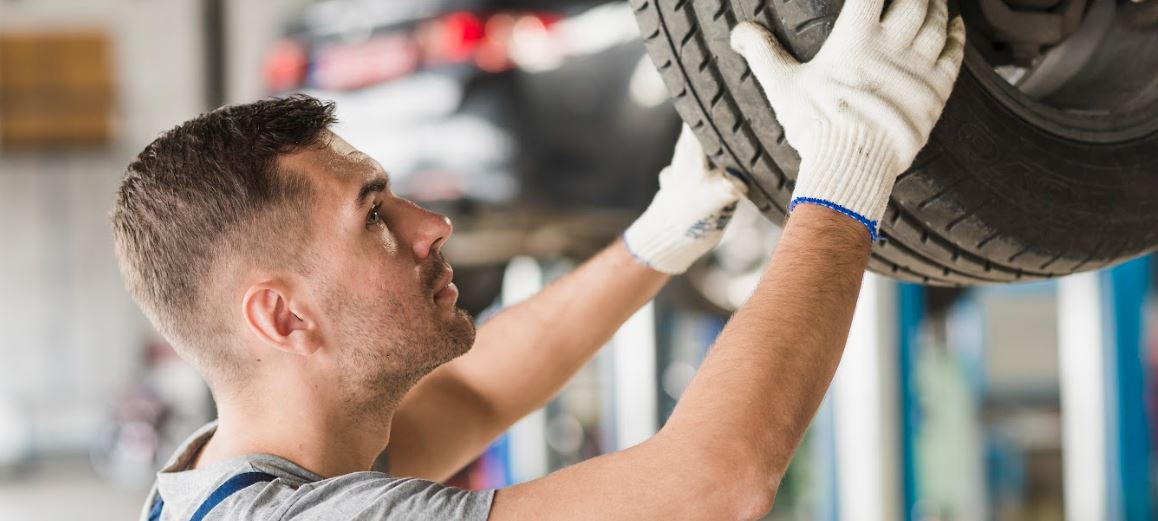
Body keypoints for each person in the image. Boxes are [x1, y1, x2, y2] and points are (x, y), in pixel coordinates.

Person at [114, 0, 964, 517]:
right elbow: (714, 482)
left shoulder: (236, 480)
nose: (433, 222)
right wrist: (849, 168)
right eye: (374, 216)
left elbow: (476, 391)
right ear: (282, 315)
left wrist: (655, 239)